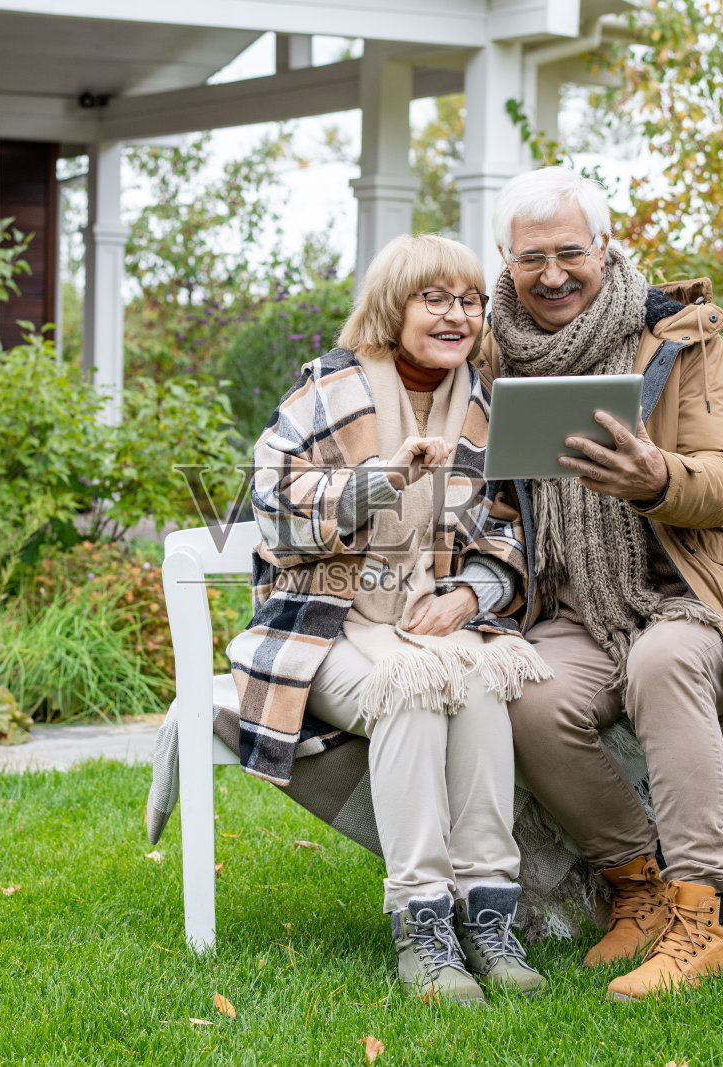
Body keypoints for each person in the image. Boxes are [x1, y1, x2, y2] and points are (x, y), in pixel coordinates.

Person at [482, 167, 723, 1002]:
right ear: (505, 258)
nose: (553, 274)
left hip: (691, 591)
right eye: (533, 258)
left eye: (571, 252)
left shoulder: (682, 339)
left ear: (605, 248)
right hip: (576, 603)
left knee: (662, 662)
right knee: (525, 690)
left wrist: (655, 475)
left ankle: (704, 914)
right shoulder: (492, 351)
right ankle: (636, 886)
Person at [228, 234, 550, 1005]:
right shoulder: (325, 391)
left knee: (474, 684)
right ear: (393, 306)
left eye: (470, 301)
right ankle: (422, 922)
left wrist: (470, 593)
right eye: (434, 299)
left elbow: (507, 519)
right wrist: (378, 480)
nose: (457, 315)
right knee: (411, 688)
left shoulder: (480, 402)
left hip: (429, 619)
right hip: (323, 623)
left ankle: (489, 912)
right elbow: (269, 513)